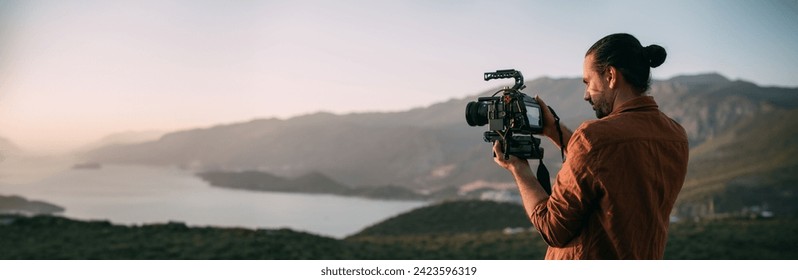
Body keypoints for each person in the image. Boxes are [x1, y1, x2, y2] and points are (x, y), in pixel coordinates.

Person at [492, 33, 689, 259]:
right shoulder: (675, 135)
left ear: (611, 76)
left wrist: (519, 168)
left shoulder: (594, 137)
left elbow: (551, 228)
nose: (586, 95)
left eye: (588, 82)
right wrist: (553, 131)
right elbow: (607, 164)